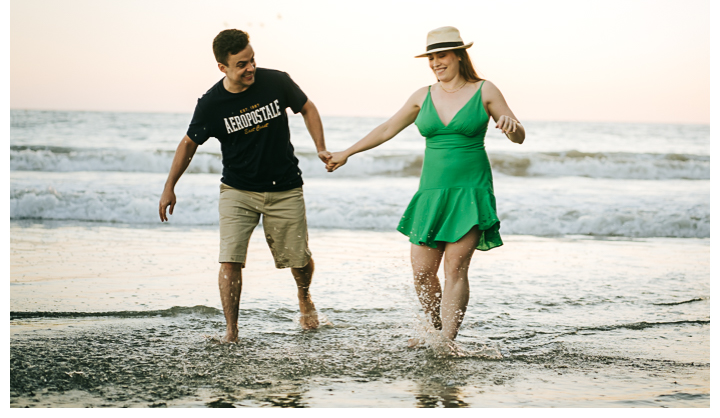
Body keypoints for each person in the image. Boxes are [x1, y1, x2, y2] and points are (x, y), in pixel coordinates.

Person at [325, 26, 524, 352]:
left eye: (441, 55)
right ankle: (436, 330)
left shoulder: (485, 90)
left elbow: (518, 134)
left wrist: (513, 129)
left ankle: (446, 341)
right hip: (431, 194)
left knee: (455, 269)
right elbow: (388, 127)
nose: (435, 62)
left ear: (459, 55)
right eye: (431, 57)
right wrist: (346, 152)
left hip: (469, 192)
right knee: (421, 273)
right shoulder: (422, 95)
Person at [159, 28, 330, 342]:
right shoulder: (212, 103)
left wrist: (320, 147)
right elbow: (188, 144)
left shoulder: (277, 81)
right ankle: (232, 332)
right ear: (223, 67)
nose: (250, 68)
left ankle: (304, 297)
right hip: (237, 190)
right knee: (230, 258)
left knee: (299, 259)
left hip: (285, 187)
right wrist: (170, 185)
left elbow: (308, 107)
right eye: (241, 64)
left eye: (252, 60)